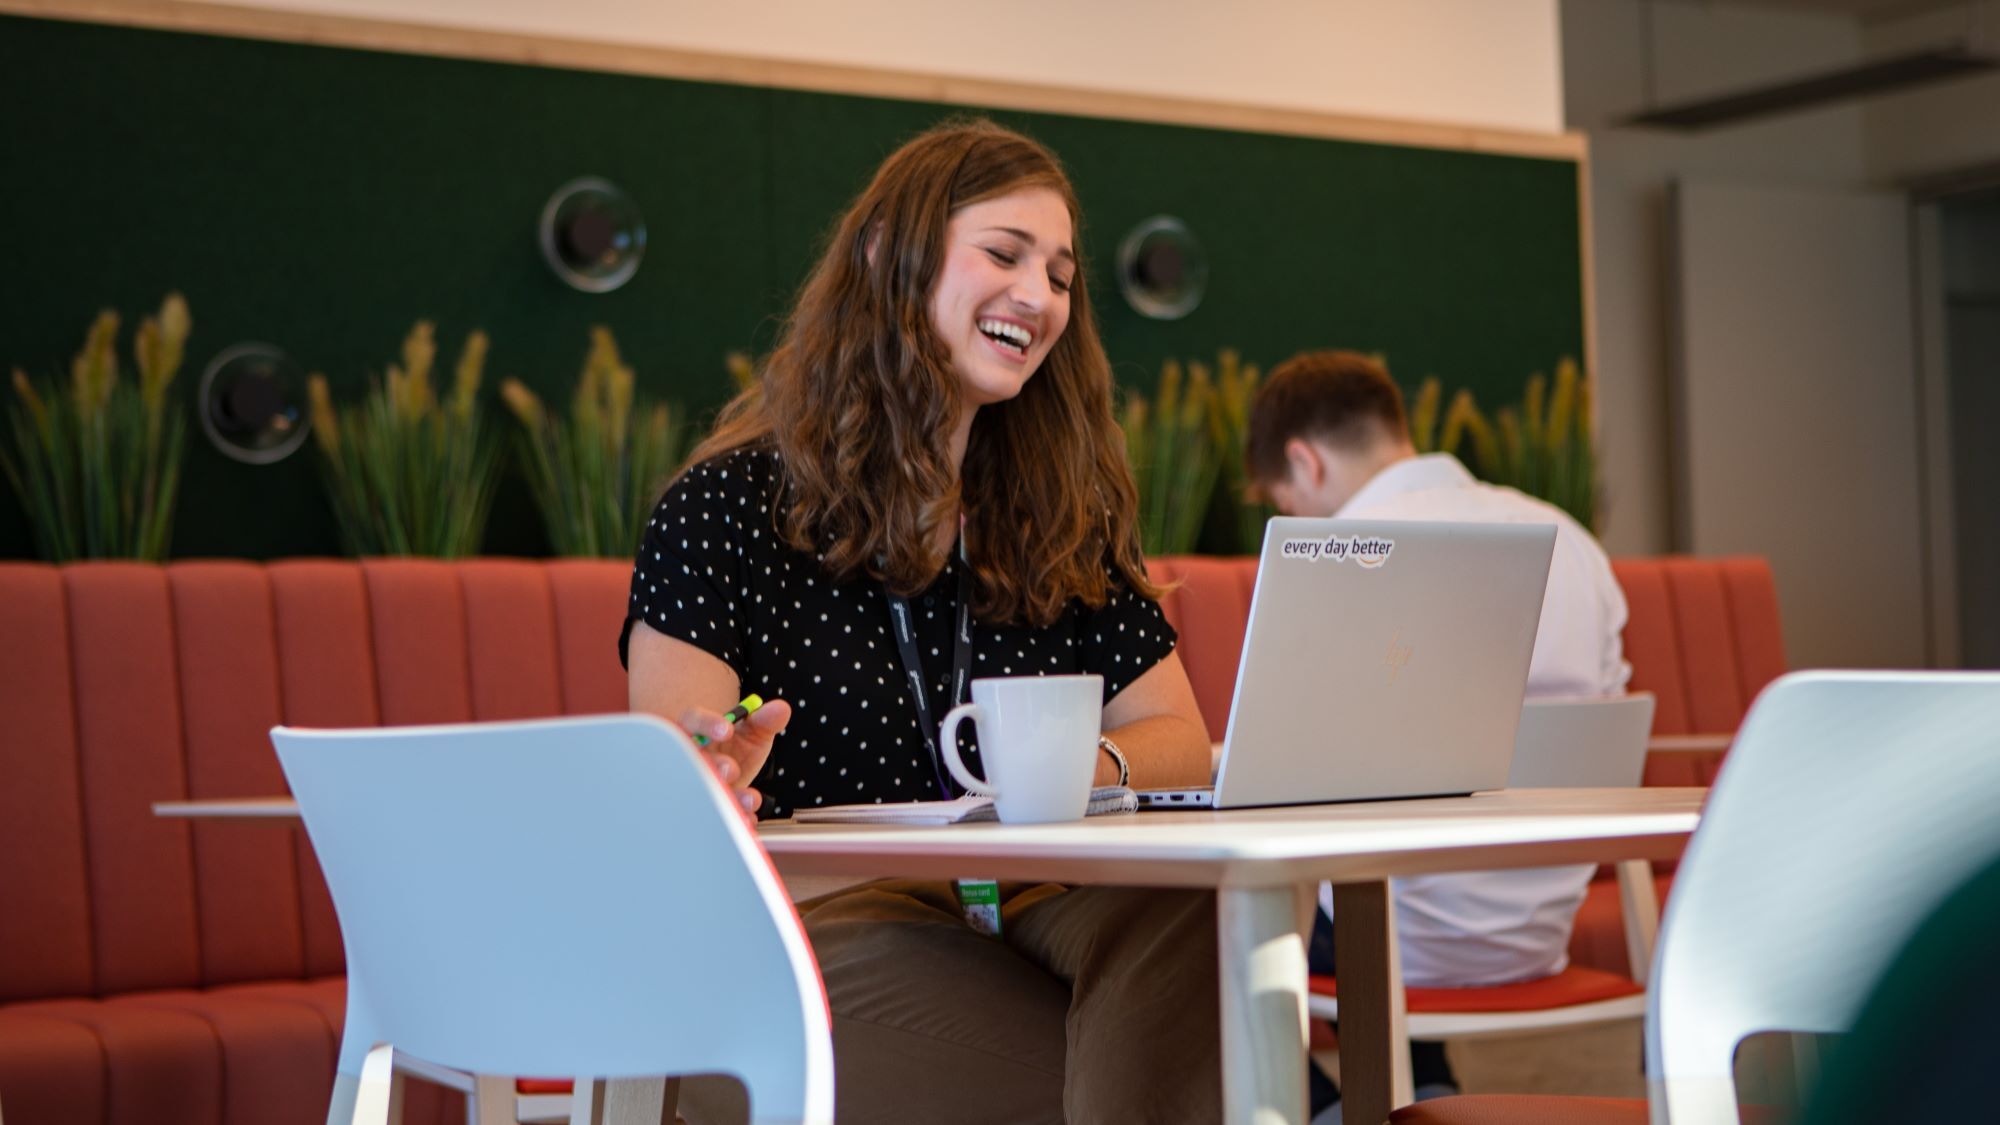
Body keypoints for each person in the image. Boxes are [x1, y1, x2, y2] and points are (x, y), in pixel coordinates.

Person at [620, 119, 1220, 1124]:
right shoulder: (726, 508)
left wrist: (1080, 771)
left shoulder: (1062, 513)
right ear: (884, 258)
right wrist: (710, 772)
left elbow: (1180, 740)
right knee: (1184, 1076)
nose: (1038, 296)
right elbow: (680, 769)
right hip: (824, 928)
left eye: (1062, 276)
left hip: (1034, 904)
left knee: (1207, 923)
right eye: (1003, 253)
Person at [1244, 349, 1631, 1116]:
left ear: (1303, 461)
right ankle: (1427, 1091)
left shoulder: (1336, 555)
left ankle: (1327, 1108)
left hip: (1389, 943)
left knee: (1202, 936)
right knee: (1386, 880)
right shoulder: (1571, 539)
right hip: (1538, 931)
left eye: (1282, 497)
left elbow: (1275, 770)